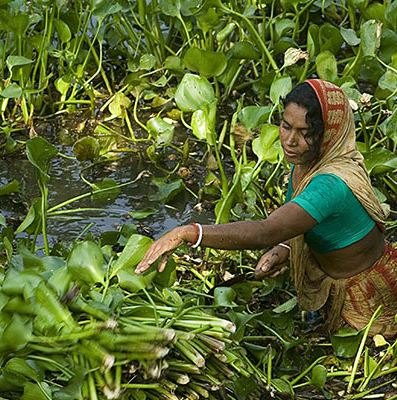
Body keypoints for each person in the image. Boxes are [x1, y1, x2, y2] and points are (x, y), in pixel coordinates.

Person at [136, 79, 397, 338]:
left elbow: (266, 231)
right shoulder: (306, 162)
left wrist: (187, 233)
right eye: (285, 126)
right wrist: (284, 249)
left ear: (328, 134)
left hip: (367, 297)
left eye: (306, 133)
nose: (290, 141)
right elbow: (304, 223)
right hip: (331, 276)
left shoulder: (330, 184)